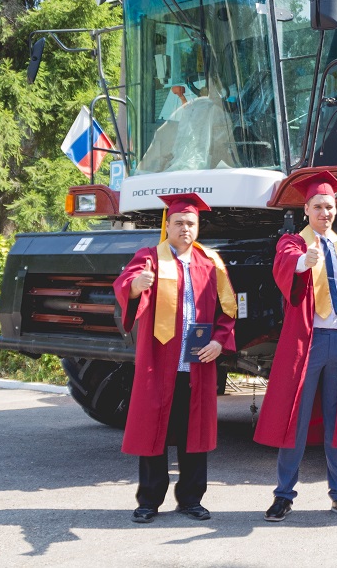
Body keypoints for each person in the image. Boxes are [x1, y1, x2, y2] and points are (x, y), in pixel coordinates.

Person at [112, 193, 237, 523]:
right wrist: (136, 285)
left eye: (191, 223)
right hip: (159, 361)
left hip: (197, 362)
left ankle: (192, 500)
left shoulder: (210, 261)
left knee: (194, 433)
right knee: (154, 430)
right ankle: (149, 501)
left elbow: (228, 310)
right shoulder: (150, 257)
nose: (185, 228)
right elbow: (125, 284)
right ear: (167, 225)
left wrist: (219, 342)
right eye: (179, 222)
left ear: (198, 227)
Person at [254, 170, 337, 522]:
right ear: (306, 209)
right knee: (296, 420)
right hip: (308, 343)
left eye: (329, 206)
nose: (324, 212)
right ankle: (283, 495)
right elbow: (284, 262)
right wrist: (303, 263)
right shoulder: (295, 243)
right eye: (318, 206)